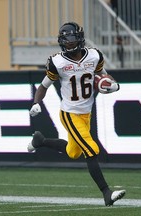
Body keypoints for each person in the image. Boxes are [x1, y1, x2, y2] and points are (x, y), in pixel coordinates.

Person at [28, 22, 125, 206]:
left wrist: (113, 85)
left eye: (72, 40)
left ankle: (40, 141)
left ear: (80, 39)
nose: (69, 44)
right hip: (69, 113)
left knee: (73, 152)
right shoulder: (58, 62)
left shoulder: (95, 56)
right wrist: (36, 102)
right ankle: (106, 193)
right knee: (91, 149)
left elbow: (105, 76)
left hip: (86, 113)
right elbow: (43, 86)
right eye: (66, 41)